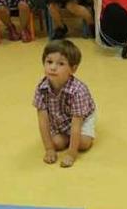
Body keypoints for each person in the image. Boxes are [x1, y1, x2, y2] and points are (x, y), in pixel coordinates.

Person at [33, 40, 96, 168]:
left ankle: (72, 139)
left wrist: (71, 154)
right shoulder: (41, 88)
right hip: (60, 116)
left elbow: (77, 123)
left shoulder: (78, 91)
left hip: (81, 117)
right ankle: (68, 137)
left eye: (61, 63)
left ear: (73, 69)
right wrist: (49, 149)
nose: (53, 67)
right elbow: (43, 121)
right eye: (49, 62)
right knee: (56, 144)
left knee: (83, 144)